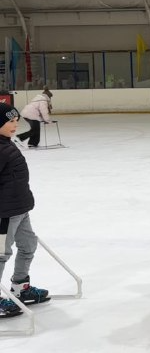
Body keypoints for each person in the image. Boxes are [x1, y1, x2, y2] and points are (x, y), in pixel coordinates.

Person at [0, 104, 50, 319]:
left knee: (28, 246)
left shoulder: (6, 145)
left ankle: (21, 286)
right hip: (4, 214)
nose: (15, 124)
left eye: (16, 120)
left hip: (20, 210)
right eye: (10, 122)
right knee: (2, 254)